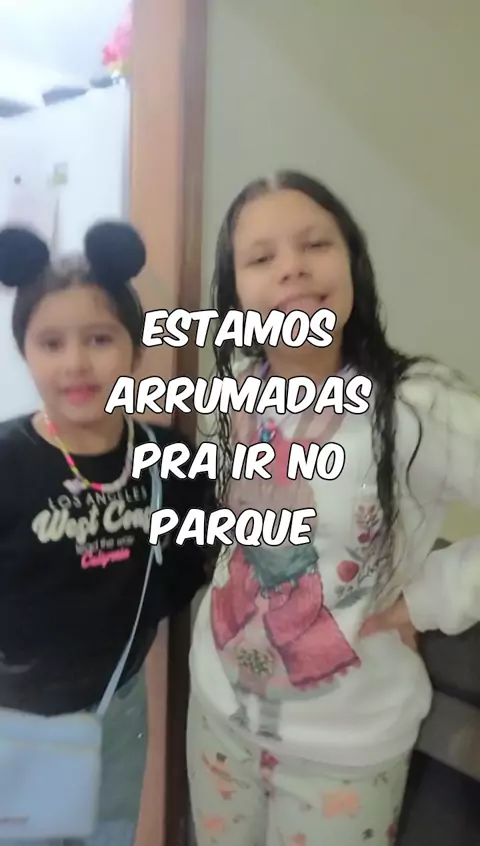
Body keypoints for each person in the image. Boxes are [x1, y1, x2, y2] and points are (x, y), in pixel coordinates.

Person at [187, 170, 480, 845]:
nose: (291, 267)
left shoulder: (416, 406)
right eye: (261, 258)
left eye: (315, 244)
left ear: (353, 262)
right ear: (236, 293)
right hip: (218, 717)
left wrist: (430, 599)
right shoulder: (236, 391)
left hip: (345, 754)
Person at [0, 222, 212, 846]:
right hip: (15, 713)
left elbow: (188, 563)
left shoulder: (172, 457)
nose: (76, 363)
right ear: (25, 352)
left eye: (99, 338)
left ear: (135, 349)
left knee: (109, 834)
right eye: (51, 342)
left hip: (116, 707)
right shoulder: (7, 460)